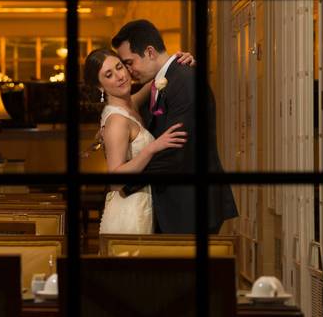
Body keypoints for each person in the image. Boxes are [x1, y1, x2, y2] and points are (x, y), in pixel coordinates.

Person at [112, 19, 238, 234]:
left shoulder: (184, 80)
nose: (128, 71)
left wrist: (129, 182)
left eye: (129, 62)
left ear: (150, 52)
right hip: (176, 205)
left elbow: (176, 151)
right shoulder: (163, 81)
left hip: (191, 206)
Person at [84, 48, 188, 234]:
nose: (120, 76)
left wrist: (178, 60)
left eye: (119, 67)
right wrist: (152, 148)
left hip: (141, 205)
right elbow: (116, 182)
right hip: (128, 213)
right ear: (100, 87)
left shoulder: (130, 103)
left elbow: (158, 77)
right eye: (109, 74)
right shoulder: (117, 121)